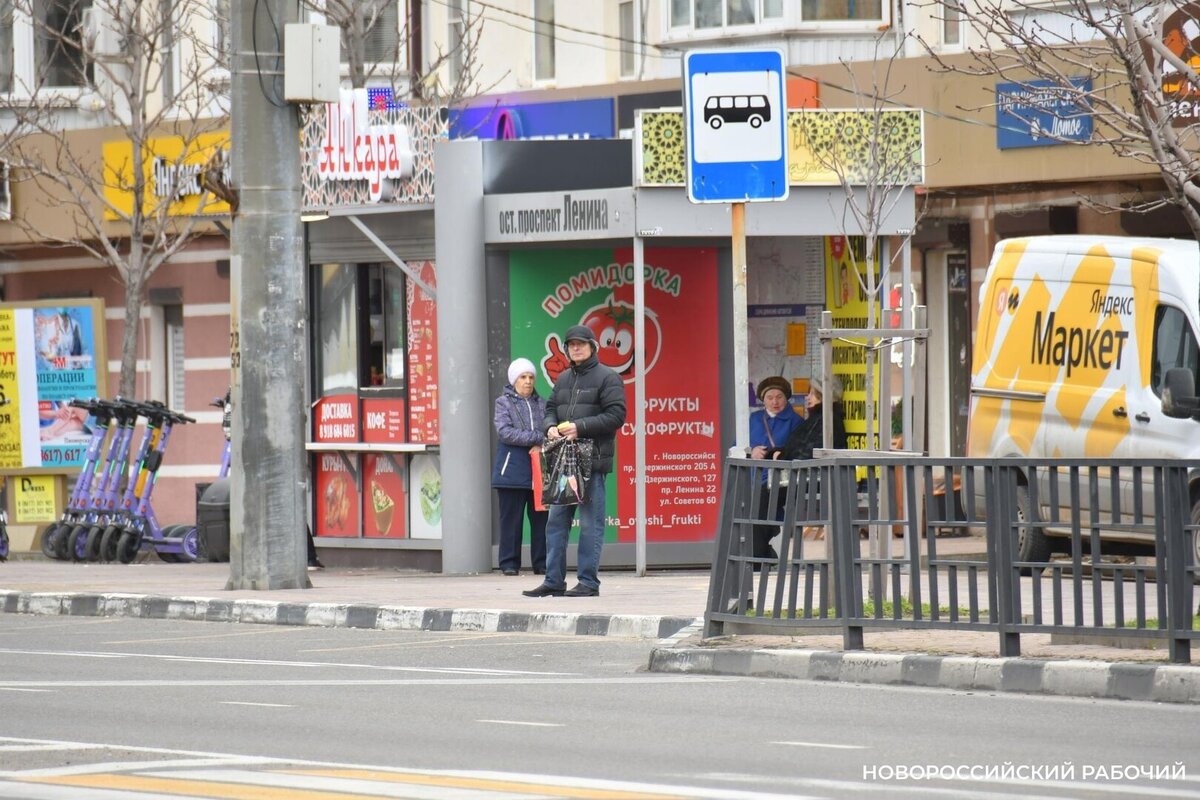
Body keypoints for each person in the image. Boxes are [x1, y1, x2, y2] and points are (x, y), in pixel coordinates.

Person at [523, 325, 626, 598]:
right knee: (555, 522)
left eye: (581, 343)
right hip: (563, 462)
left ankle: (588, 583)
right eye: (571, 344)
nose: (575, 348)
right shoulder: (564, 378)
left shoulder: (608, 378)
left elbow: (617, 416)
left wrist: (579, 427)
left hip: (591, 461)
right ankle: (553, 581)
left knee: (591, 524)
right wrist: (550, 427)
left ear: (593, 346)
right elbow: (549, 410)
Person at [491, 357, 548, 576]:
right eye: (523, 377)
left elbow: (551, 431)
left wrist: (540, 440)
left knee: (541, 521)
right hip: (511, 471)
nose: (527, 381)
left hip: (538, 472)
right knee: (511, 521)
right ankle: (509, 563)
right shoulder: (502, 403)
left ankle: (541, 563)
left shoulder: (542, 404)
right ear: (514, 380)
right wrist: (536, 438)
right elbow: (505, 432)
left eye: (531, 377)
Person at [748, 376, 802, 561]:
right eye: (770, 397)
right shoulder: (754, 419)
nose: (775, 401)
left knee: (762, 515)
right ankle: (763, 554)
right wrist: (752, 450)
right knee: (753, 516)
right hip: (753, 477)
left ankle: (759, 556)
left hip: (779, 480)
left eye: (779, 397)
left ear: (786, 398)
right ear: (763, 400)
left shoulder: (796, 421)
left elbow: (798, 448)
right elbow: (737, 444)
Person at [771, 376, 848, 462]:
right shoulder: (819, 417)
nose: (808, 397)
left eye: (812, 394)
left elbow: (809, 452)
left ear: (822, 396)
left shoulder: (826, 420)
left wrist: (781, 457)